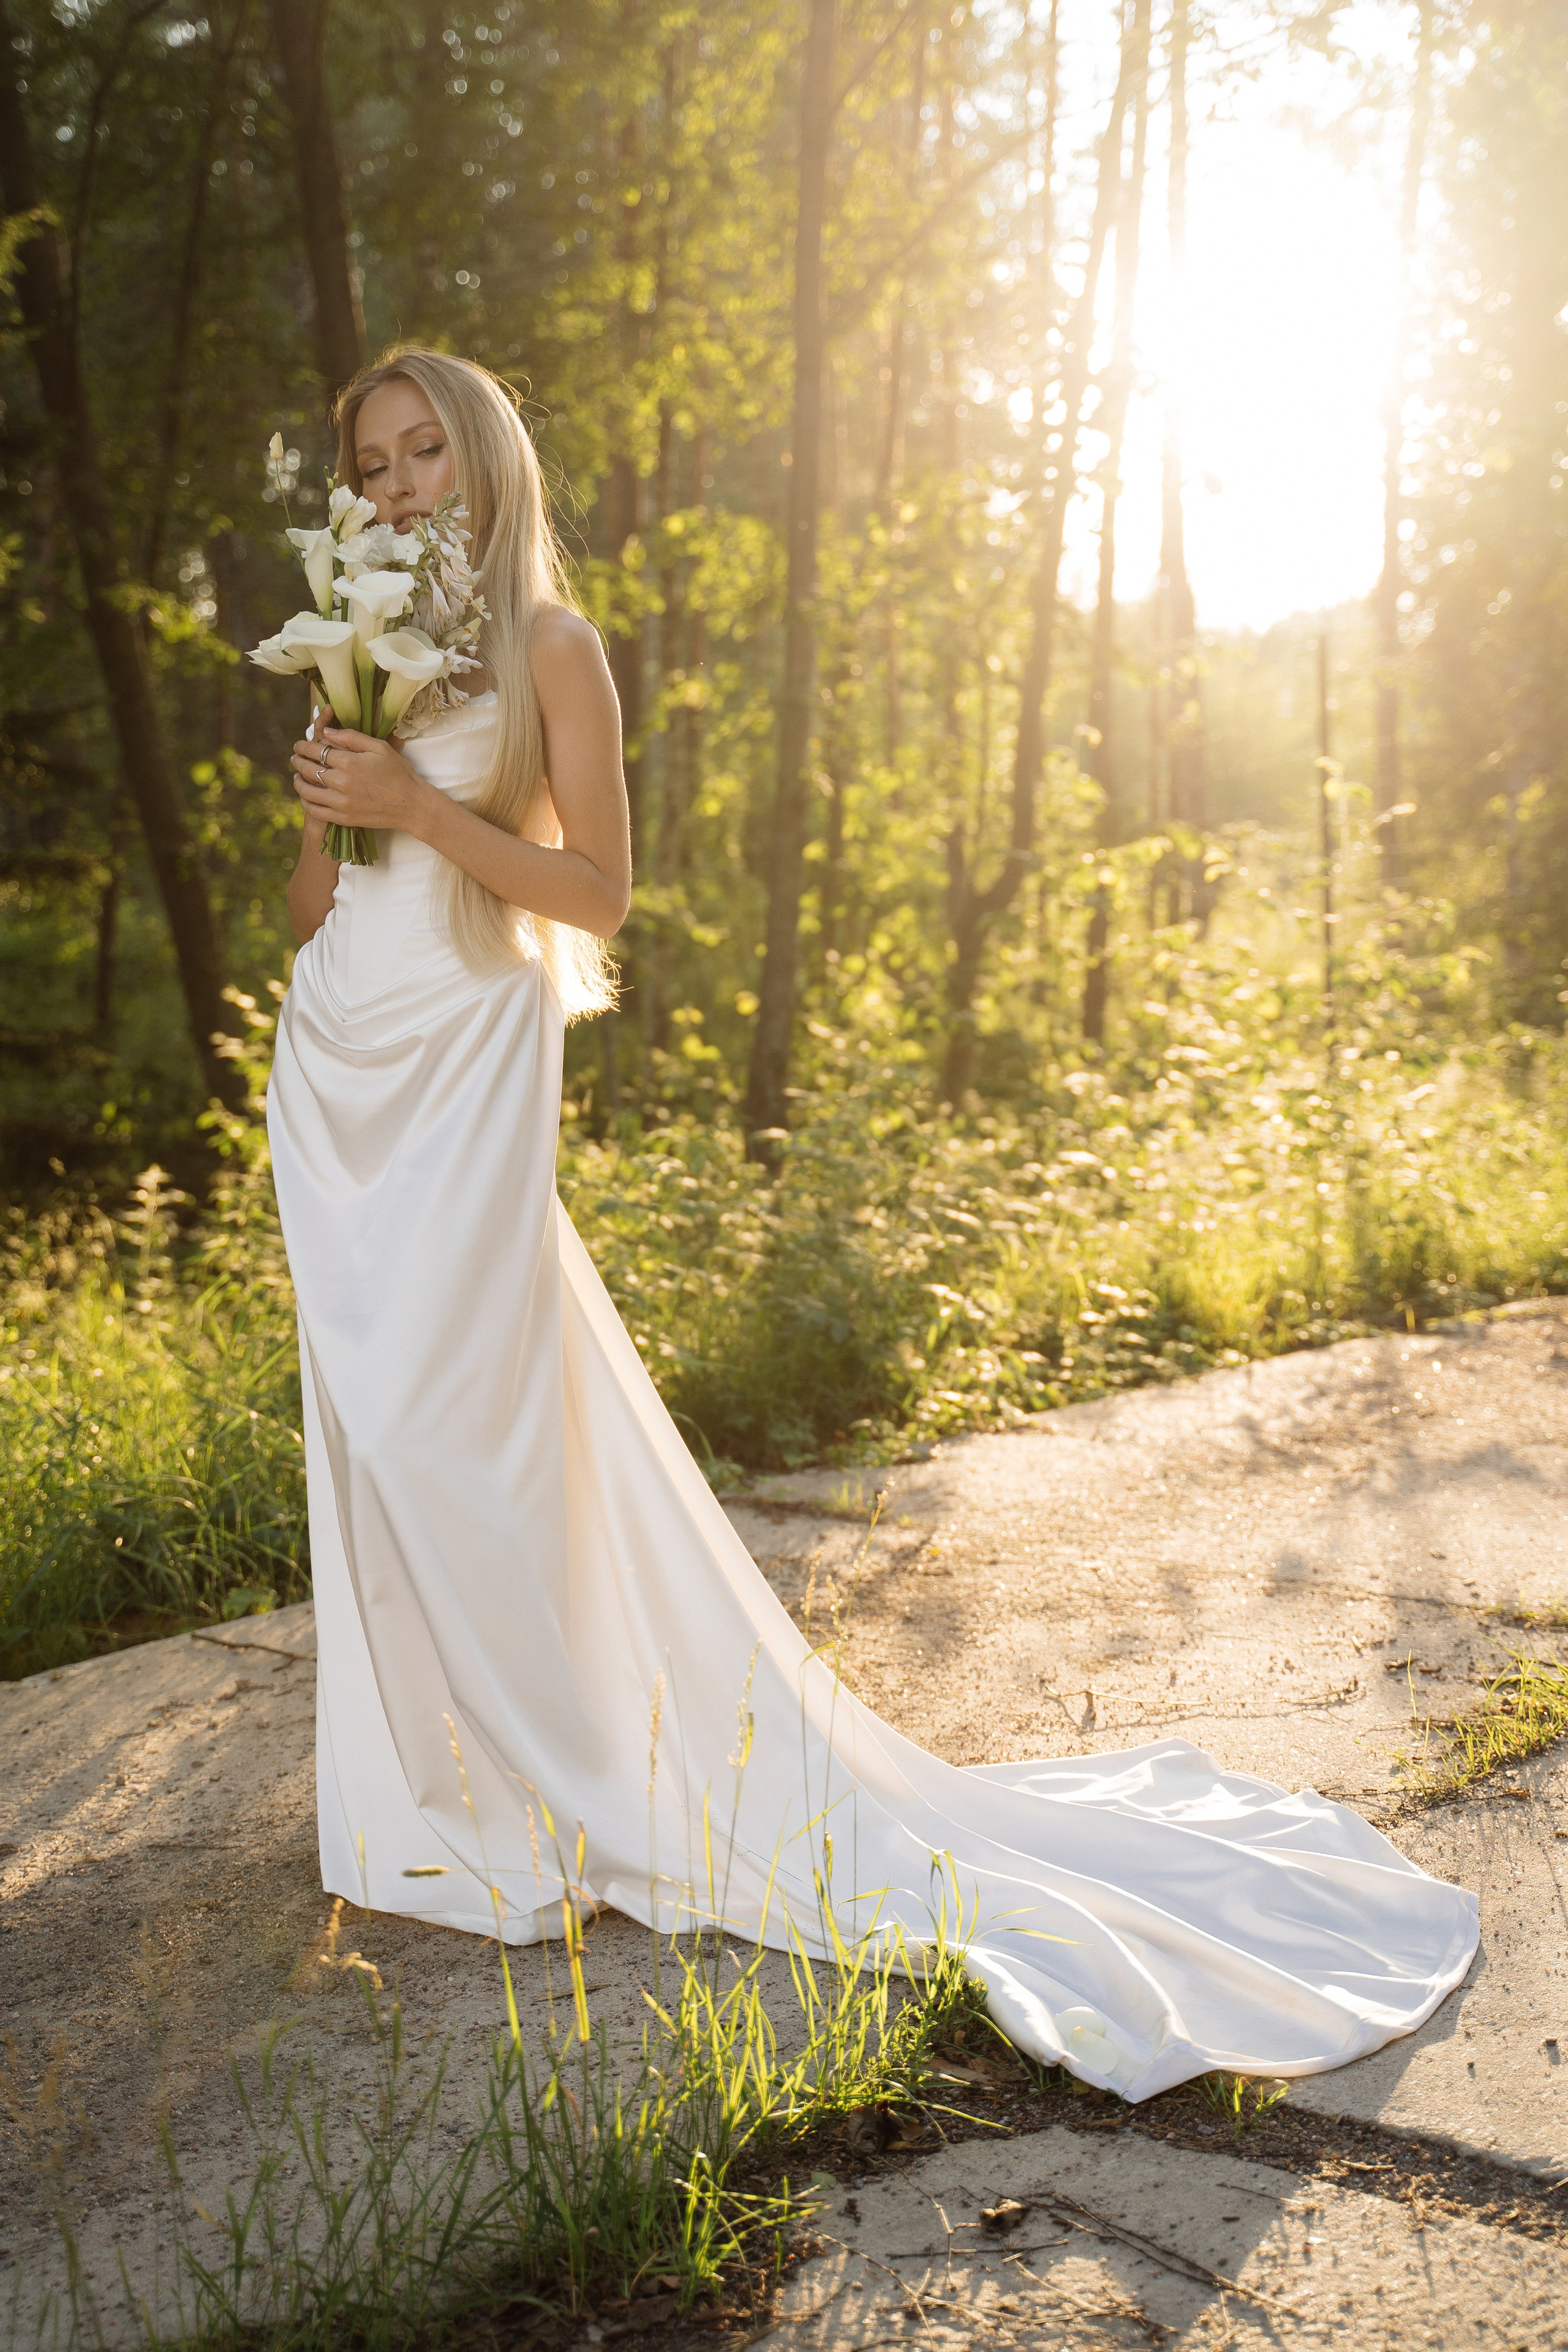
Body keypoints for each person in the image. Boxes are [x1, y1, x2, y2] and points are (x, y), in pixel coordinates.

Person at [268, 346, 1477, 2104]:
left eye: (422, 451)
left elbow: (596, 890)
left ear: (486, 455)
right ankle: (443, 1779)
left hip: (461, 1062)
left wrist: (426, 806)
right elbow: (312, 907)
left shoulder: (550, 651)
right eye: (369, 464)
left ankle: (590, 1766)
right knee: (381, 1433)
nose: (394, 487)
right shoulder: (364, 645)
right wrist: (332, 785)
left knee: (472, 1427)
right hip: (340, 1068)